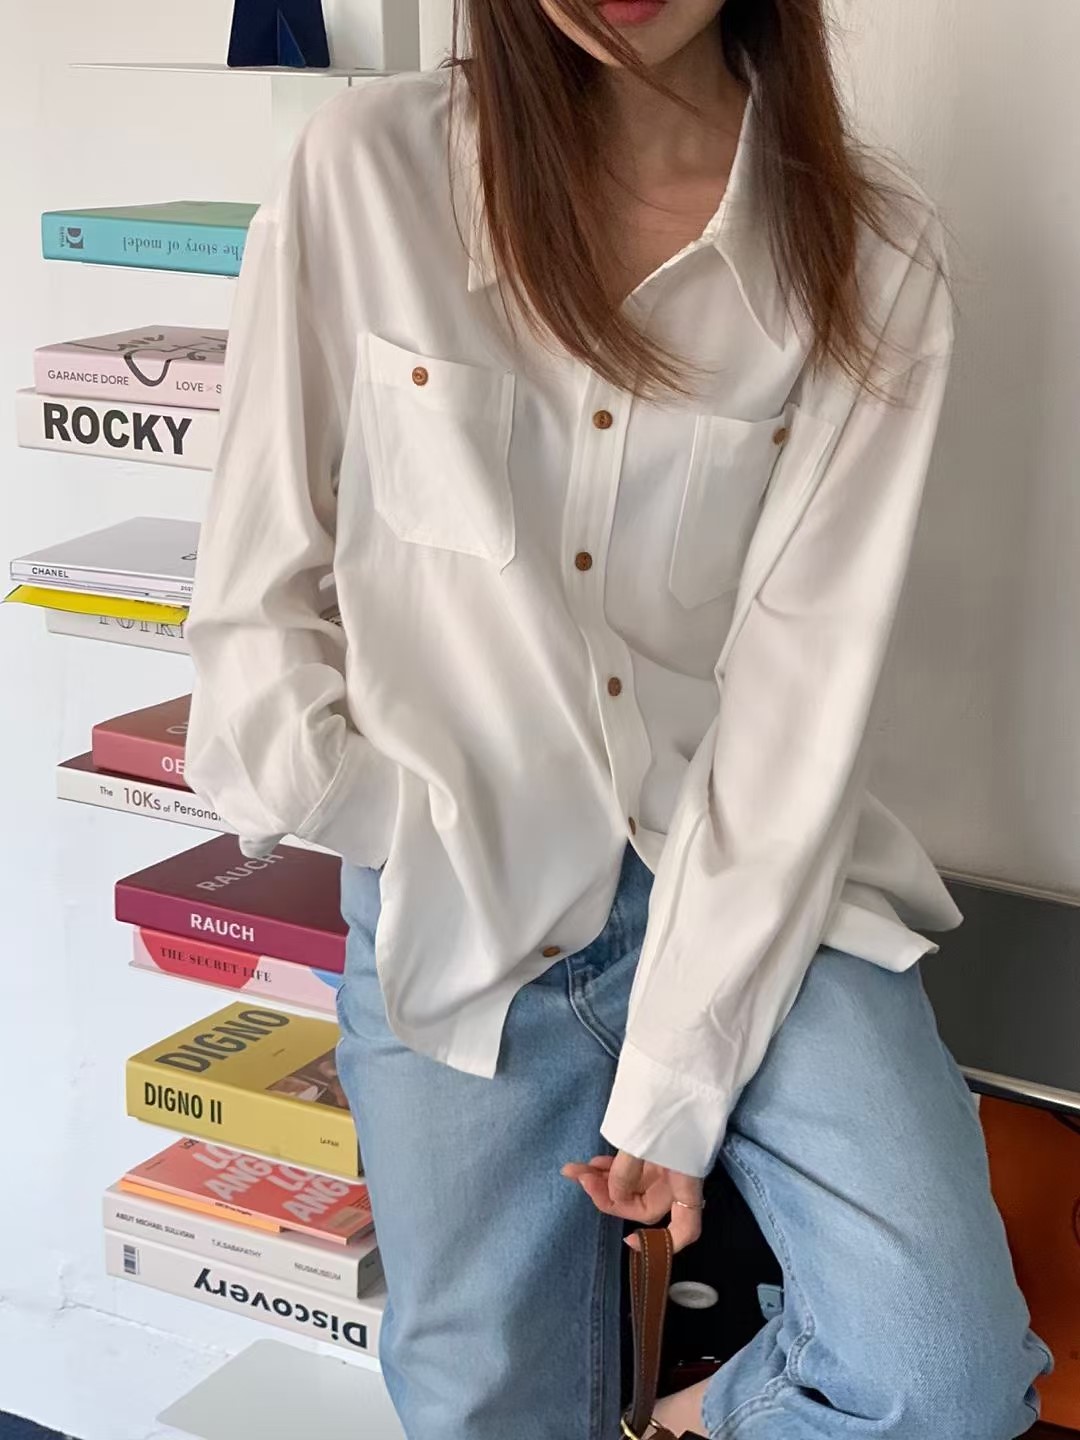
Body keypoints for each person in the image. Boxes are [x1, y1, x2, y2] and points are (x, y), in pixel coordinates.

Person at [183, 1, 1053, 1436]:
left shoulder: (869, 251)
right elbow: (254, 595)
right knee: (486, 1413)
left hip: (749, 881)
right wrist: (397, 820)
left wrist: (674, 1087)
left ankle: (696, 1418)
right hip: (458, 894)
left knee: (942, 1382)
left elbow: (802, 688)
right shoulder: (371, 170)